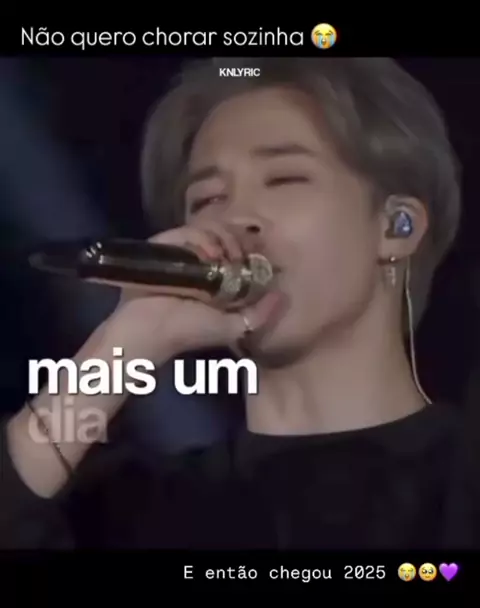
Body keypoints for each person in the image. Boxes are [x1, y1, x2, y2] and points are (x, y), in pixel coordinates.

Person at [1, 57, 476, 550]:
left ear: (397, 227)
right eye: (208, 199)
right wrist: (122, 347)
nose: (235, 218)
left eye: (284, 179)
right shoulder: (136, 513)